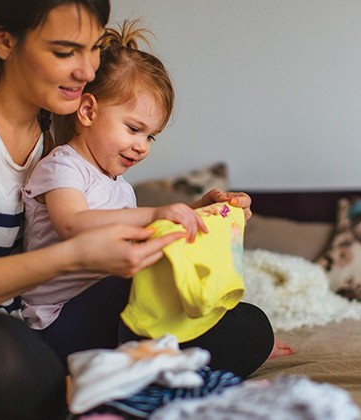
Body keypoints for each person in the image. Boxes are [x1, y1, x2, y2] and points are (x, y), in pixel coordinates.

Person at [0, 0, 281, 388]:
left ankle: (113, 380)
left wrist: (194, 215)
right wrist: (75, 256)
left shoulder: (53, 121)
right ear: (4, 41)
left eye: (93, 47)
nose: (88, 70)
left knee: (246, 327)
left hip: (21, 329)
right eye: (65, 51)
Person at [20, 21, 281, 378]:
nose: (142, 146)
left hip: (107, 319)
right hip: (59, 325)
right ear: (88, 111)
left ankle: (208, 350)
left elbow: (143, 234)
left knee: (251, 325)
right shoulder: (63, 165)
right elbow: (72, 223)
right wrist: (156, 212)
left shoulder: (121, 187)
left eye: (151, 137)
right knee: (146, 283)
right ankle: (163, 363)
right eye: (133, 129)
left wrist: (197, 212)